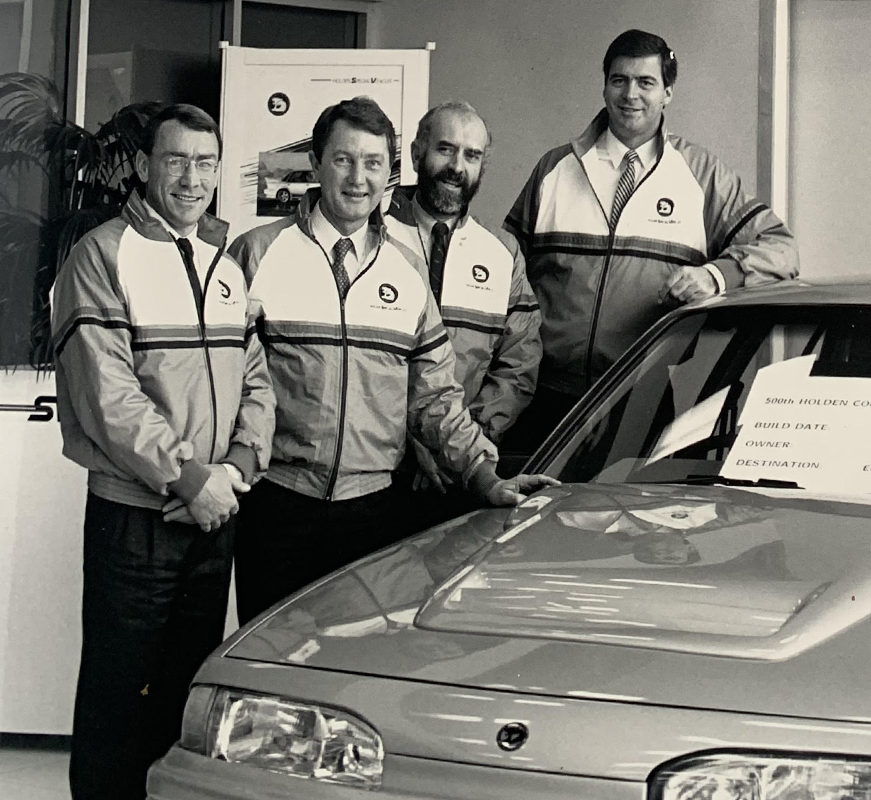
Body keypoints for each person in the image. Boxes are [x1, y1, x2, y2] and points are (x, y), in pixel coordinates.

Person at [228, 96, 555, 625]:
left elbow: (435, 396)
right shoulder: (257, 254)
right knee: (269, 669)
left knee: (356, 666)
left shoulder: (405, 272)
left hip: (372, 514)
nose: (358, 178)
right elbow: (227, 383)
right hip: (277, 505)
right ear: (315, 163)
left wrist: (482, 472)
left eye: (373, 163)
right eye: (343, 159)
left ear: (390, 172)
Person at [51, 104, 274, 800]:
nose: (191, 177)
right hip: (138, 520)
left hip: (212, 515)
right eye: (176, 160)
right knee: (118, 700)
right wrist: (187, 478)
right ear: (145, 167)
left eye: (205, 163)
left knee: (185, 696)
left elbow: (258, 381)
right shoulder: (102, 255)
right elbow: (106, 396)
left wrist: (236, 469)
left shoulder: (223, 264)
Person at [503, 29, 801, 451]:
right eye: (619, 80)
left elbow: (781, 248)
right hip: (546, 398)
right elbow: (505, 272)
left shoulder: (701, 174)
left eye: (646, 82)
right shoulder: (555, 168)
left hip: (645, 399)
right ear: (604, 86)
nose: (631, 95)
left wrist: (717, 276)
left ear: (668, 93)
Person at [386, 101, 541, 527]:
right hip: (380, 473)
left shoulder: (503, 253)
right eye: (445, 149)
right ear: (417, 153)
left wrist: (464, 447)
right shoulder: (372, 236)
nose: (457, 166)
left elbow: (519, 363)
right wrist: (405, 443)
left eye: (471, 156)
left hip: (464, 479)